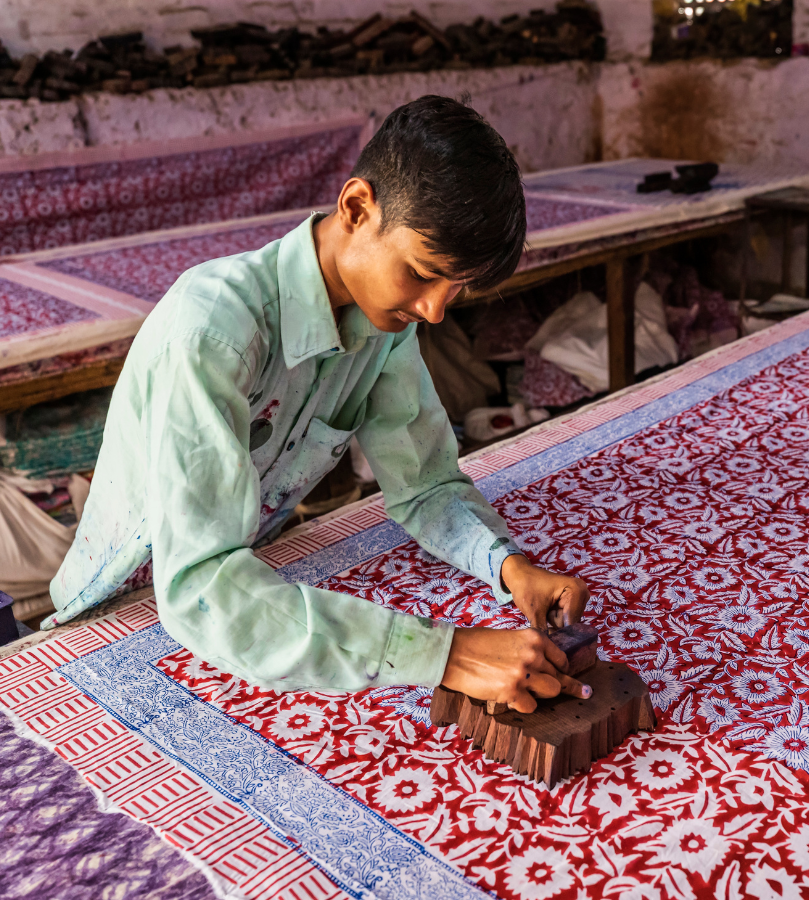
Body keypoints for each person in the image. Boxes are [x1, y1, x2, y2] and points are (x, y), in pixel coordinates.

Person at [48, 95, 590, 714]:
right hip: (129, 612)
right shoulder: (212, 334)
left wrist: (509, 567)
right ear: (357, 208)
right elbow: (197, 586)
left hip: (247, 584)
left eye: (456, 288)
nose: (436, 310)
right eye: (421, 272)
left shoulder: (383, 328)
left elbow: (425, 485)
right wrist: (444, 653)